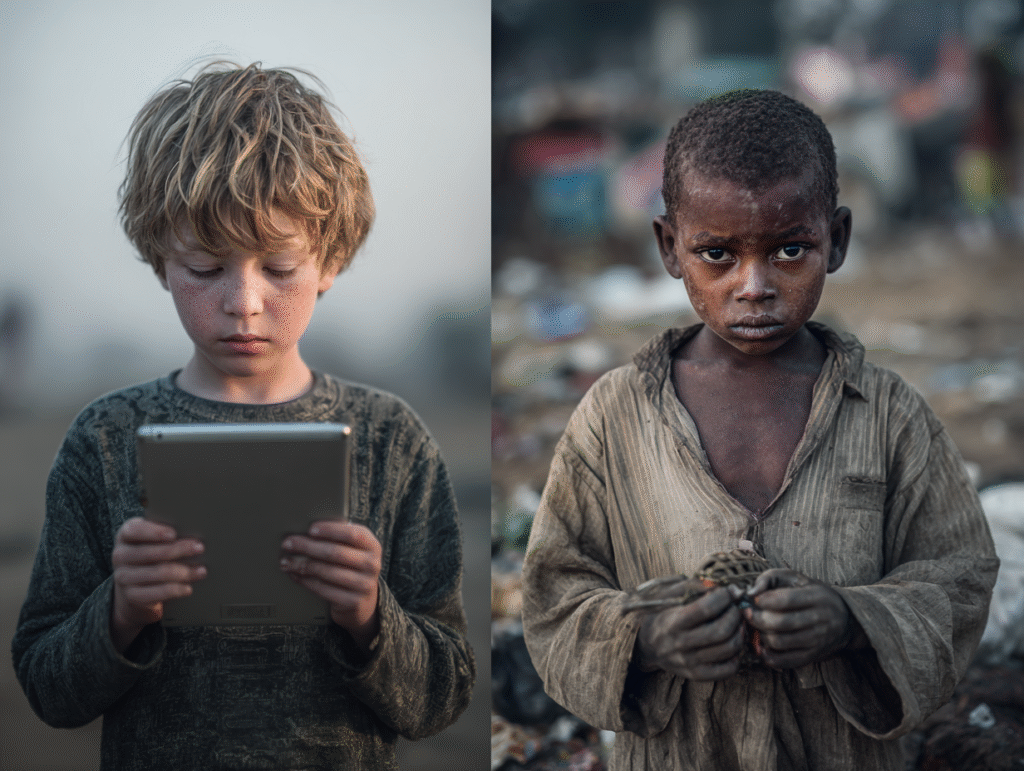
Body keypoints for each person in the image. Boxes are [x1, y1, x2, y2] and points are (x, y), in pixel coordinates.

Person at [12, 62, 474, 770]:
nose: (244, 301)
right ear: (159, 258)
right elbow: (47, 687)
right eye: (205, 268)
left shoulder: (392, 440)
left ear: (330, 260)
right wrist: (121, 609)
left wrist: (370, 616)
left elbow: (444, 693)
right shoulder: (102, 442)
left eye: (280, 268)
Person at [521, 89, 998, 771]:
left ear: (837, 240)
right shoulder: (614, 417)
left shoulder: (890, 414)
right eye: (716, 254)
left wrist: (852, 619)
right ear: (668, 247)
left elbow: (961, 578)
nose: (753, 285)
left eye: (790, 249)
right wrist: (649, 637)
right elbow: (552, 599)